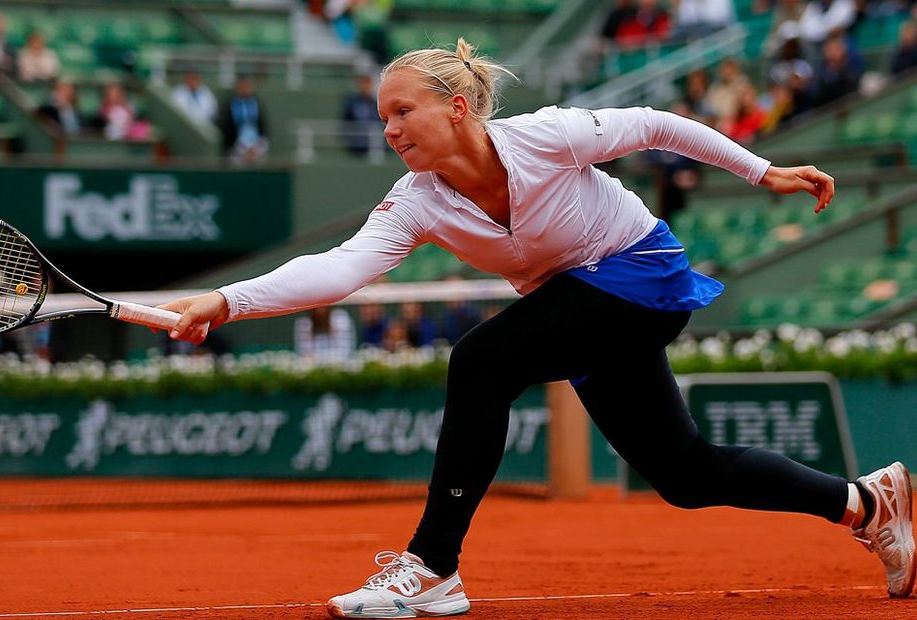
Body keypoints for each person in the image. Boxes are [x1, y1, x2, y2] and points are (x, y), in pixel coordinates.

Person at [157, 38, 915, 616]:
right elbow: (340, 270)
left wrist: (761, 171)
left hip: (639, 269)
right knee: (684, 474)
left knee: (481, 361)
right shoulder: (417, 200)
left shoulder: (544, 135)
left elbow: (653, 122)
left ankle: (432, 567)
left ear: (456, 107)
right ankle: (864, 503)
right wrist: (227, 301)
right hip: (582, 303)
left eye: (403, 110)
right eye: (383, 116)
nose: (389, 128)